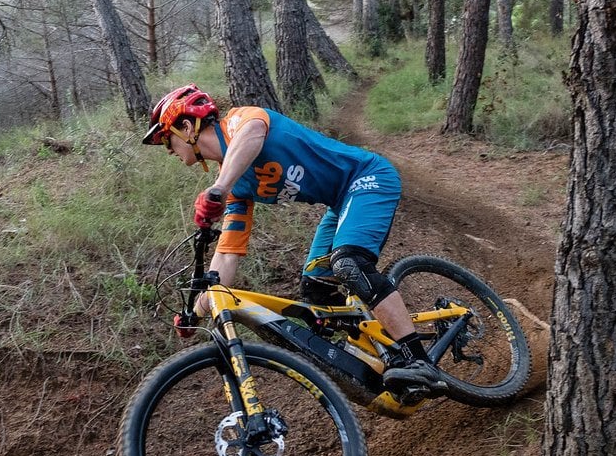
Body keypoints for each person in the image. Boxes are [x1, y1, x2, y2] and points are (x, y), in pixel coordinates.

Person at [141, 83, 445, 391]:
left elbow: (253, 134)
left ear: (186, 126)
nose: (168, 150)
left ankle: (417, 360)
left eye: (167, 140)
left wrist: (219, 187)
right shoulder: (235, 188)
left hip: (368, 177)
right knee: (315, 290)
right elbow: (228, 253)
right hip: (340, 203)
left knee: (349, 263)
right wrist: (197, 312)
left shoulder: (238, 121)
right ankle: (380, 350)